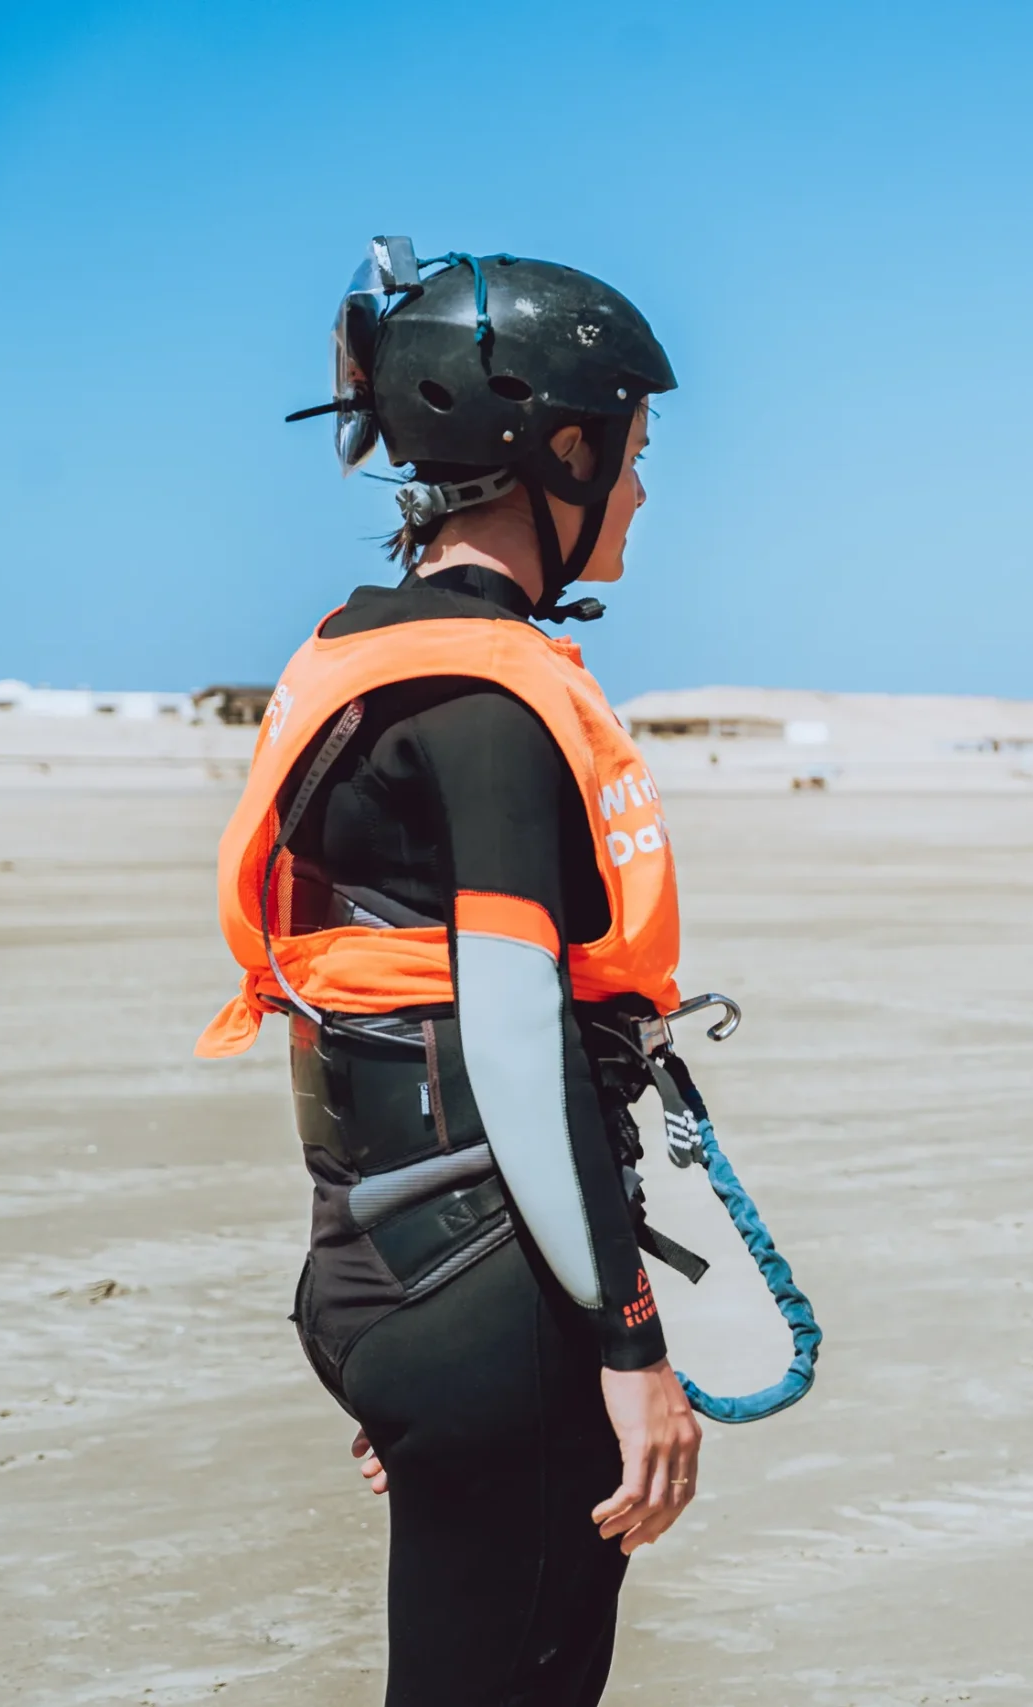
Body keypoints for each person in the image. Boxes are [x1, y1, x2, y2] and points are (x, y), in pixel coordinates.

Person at [197, 240, 703, 1705]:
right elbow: (517, 1039)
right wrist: (632, 1346)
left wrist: (419, 1364)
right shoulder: (489, 699)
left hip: (376, 1269)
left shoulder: (353, 658)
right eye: (631, 449)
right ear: (558, 446)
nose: (642, 489)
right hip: (496, 1287)